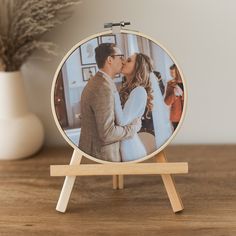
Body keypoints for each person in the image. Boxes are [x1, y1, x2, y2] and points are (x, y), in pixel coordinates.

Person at [79, 43, 141, 162]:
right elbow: (107, 133)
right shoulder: (103, 87)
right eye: (120, 56)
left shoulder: (101, 82)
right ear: (109, 60)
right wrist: (133, 128)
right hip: (103, 155)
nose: (123, 61)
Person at [114, 53, 154, 161]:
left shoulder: (139, 91)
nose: (123, 62)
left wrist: (113, 92)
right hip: (122, 142)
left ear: (138, 66)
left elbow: (122, 121)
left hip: (130, 148)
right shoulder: (128, 89)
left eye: (129, 60)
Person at [164, 64, 184, 130]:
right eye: (170, 72)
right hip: (176, 117)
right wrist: (174, 94)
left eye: (172, 72)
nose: (171, 75)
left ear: (178, 72)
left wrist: (182, 94)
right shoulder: (170, 84)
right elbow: (167, 102)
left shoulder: (186, 83)